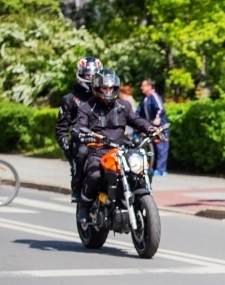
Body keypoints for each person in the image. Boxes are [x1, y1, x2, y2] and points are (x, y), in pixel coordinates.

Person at [73, 69, 156, 224]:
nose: (108, 91)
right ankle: (84, 205)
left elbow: (136, 120)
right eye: (105, 88)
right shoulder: (87, 108)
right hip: (98, 151)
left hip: (120, 150)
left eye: (111, 88)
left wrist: (151, 129)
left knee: (142, 170)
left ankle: (139, 200)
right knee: (95, 175)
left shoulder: (123, 106)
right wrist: (84, 134)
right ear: (97, 88)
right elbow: (78, 127)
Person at [56, 56, 103, 202]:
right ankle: (78, 193)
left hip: (105, 140)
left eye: (94, 74)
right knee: (81, 153)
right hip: (82, 142)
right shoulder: (70, 99)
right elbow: (61, 127)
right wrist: (68, 149)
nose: (91, 78)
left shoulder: (105, 96)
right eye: (88, 74)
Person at [137, 78, 169, 176]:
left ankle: (161, 170)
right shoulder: (145, 99)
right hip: (151, 126)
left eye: (144, 85)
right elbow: (138, 112)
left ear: (149, 86)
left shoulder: (154, 96)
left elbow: (160, 108)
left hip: (160, 126)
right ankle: (151, 167)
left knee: (161, 147)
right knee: (150, 147)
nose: (141, 88)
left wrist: (157, 118)